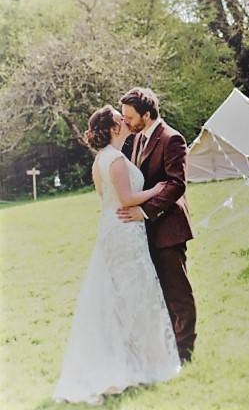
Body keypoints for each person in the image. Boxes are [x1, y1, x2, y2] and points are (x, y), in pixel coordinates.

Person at [53, 105, 180, 405]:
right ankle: (144, 362)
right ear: (112, 129)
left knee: (118, 297)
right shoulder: (116, 160)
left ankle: (126, 357)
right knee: (137, 294)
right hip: (125, 231)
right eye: (120, 120)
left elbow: (106, 200)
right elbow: (126, 199)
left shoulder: (100, 161)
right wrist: (156, 189)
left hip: (111, 228)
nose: (125, 122)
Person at [116, 88, 196, 363]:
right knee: (159, 292)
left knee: (178, 293)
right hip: (147, 231)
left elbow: (177, 184)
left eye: (129, 117)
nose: (125, 121)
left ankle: (185, 354)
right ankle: (168, 347)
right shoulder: (138, 139)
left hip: (169, 229)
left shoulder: (172, 139)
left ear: (146, 115)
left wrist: (145, 211)